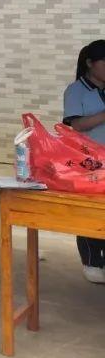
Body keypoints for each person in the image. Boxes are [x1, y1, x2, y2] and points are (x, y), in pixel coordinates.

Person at [62, 39, 105, 282]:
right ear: (90, 63)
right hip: (88, 162)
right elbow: (76, 124)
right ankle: (92, 261)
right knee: (90, 212)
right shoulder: (75, 91)